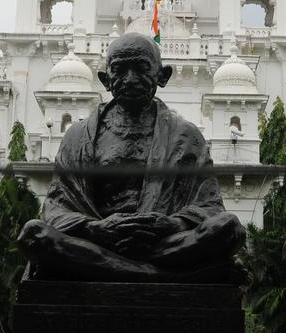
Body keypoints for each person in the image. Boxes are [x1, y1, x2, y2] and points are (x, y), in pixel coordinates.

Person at [18, 33, 245, 283]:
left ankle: (118, 270)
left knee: (229, 228)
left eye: (141, 68)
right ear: (106, 80)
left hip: (162, 242)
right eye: (119, 70)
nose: (130, 79)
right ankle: (158, 276)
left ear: (163, 75)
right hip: (98, 240)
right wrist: (98, 229)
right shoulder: (78, 136)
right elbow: (55, 208)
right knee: (34, 235)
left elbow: (210, 207)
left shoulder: (186, 136)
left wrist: (169, 225)